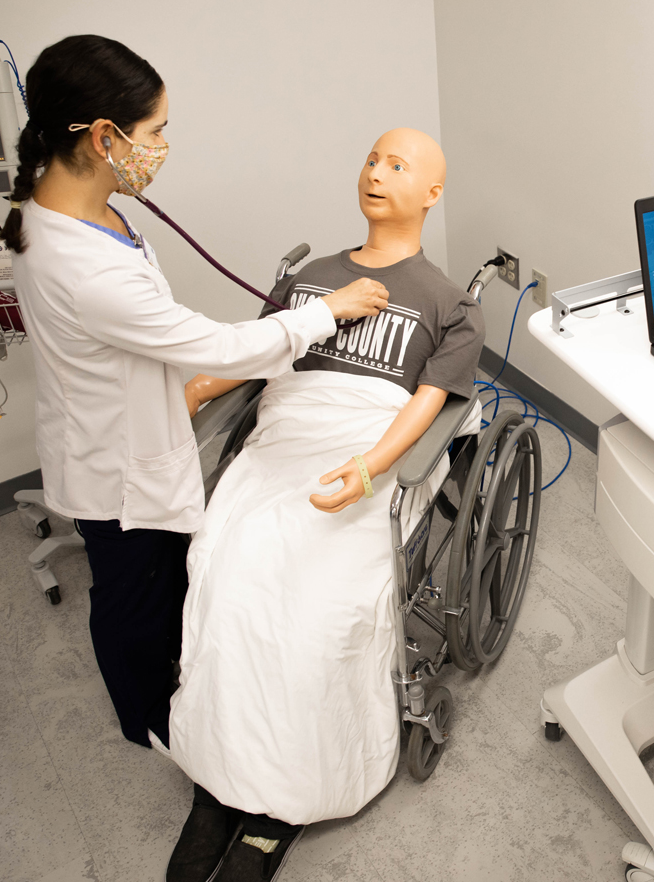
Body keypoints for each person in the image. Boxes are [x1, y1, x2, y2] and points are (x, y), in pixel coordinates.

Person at [4, 35, 389, 752]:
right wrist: (325, 313)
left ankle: (178, 678)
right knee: (132, 600)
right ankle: (147, 720)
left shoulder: (64, 202)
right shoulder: (84, 267)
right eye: (154, 132)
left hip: (115, 418)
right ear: (104, 137)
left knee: (161, 580)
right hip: (115, 469)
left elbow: (146, 338)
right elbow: (217, 346)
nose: (162, 147)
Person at [162, 129, 484, 882]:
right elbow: (261, 347)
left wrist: (371, 467)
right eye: (372, 160)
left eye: (398, 165)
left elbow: (430, 400)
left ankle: (283, 802)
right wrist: (197, 390)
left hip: (364, 447)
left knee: (318, 608)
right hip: (286, 436)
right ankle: (218, 775)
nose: (377, 173)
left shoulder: (449, 303)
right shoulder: (311, 277)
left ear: (432, 193)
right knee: (225, 574)